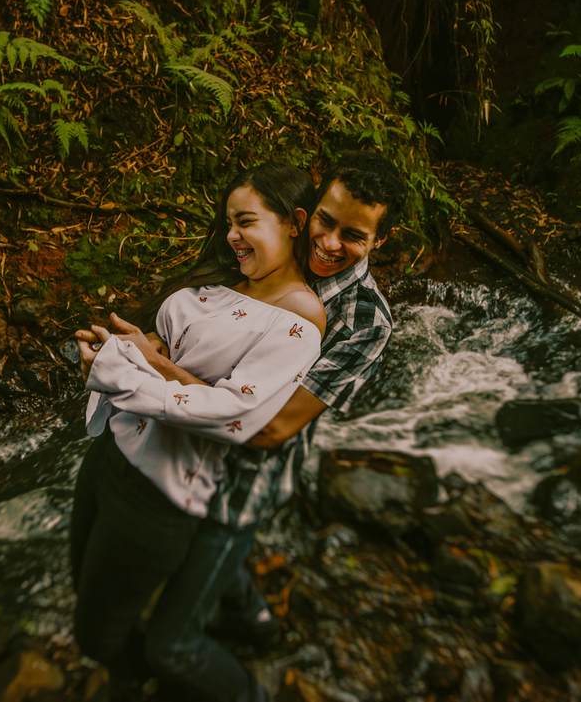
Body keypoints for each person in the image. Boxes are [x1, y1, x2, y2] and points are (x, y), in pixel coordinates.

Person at [84, 152, 407, 700]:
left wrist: (153, 367)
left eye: (353, 236)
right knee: (175, 575)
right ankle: (249, 612)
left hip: (242, 480)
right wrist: (156, 345)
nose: (329, 245)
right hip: (171, 451)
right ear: (306, 213)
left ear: (380, 240)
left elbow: (272, 428)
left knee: (174, 643)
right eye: (325, 222)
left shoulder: (365, 322)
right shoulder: (263, 249)